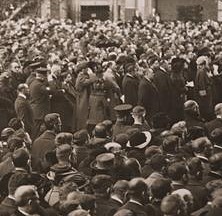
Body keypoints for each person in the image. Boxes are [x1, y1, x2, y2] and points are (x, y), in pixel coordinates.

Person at [29, 67, 51, 138]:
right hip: (40, 112)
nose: (46, 78)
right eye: (45, 76)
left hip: (36, 110)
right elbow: (50, 91)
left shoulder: (34, 83)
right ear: (42, 76)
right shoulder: (39, 85)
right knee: (37, 132)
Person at [195, 56, 214, 121]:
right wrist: (204, 97)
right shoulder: (201, 72)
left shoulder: (201, 71)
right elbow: (201, 85)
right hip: (206, 96)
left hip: (206, 94)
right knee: (207, 109)